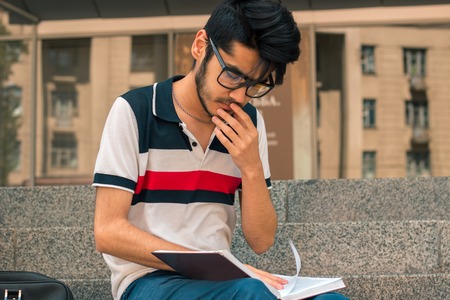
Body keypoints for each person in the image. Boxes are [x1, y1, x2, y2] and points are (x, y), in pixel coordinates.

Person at [93, 0, 348, 299]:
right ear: (201, 46)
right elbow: (108, 232)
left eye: (254, 84)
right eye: (232, 74)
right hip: (148, 281)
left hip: (223, 280)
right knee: (249, 292)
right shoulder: (135, 111)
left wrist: (251, 167)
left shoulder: (249, 123)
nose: (239, 96)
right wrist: (217, 267)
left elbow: (262, 241)